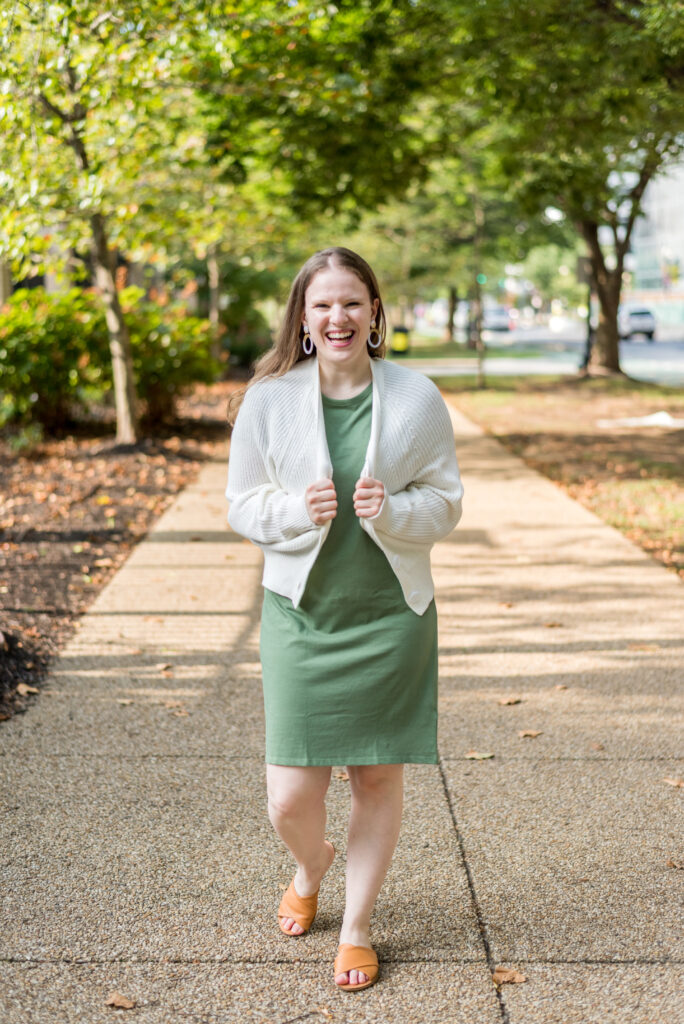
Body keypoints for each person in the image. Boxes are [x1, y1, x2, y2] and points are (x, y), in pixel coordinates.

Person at [226, 247, 463, 992]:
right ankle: (310, 863)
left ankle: (356, 926)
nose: (338, 317)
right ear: (302, 317)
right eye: (323, 304)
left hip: (391, 617)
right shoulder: (267, 400)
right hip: (302, 617)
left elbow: (447, 500)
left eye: (352, 302)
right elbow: (240, 504)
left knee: (375, 779)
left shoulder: (417, 397)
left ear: (374, 312)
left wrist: (394, 510)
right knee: (289, 797)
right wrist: (295, 510)